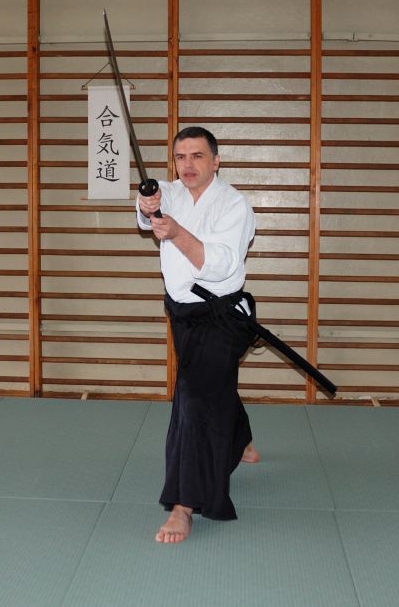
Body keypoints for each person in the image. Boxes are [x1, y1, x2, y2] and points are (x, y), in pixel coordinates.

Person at [137, 126, 259, 544]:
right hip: (181, 314)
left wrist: (176, 233)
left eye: (198, 156)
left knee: (191, 397)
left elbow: (219, 264)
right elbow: (148, 210)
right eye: (181, 157)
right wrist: (146, 204)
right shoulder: (170, 193)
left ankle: (184, 504)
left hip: (220, 316)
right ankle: (241, 440)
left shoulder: (234, 205)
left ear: (216, 160)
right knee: (213, 386)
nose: (187, 165)